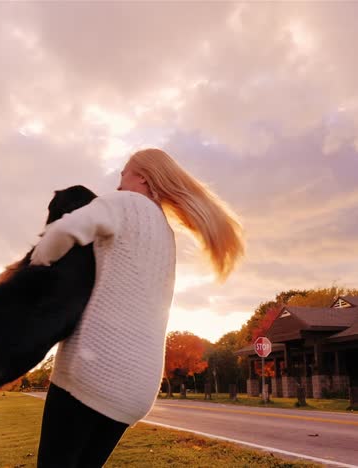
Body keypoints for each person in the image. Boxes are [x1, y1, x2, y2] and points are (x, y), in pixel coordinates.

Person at [31, 148, 245, 467]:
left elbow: (63, 230)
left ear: (141, 177)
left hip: (93, 374)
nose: (118, 184)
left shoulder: (126, 204)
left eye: (123, 174)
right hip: (136, 391)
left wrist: (37, 265)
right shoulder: (165, 235)